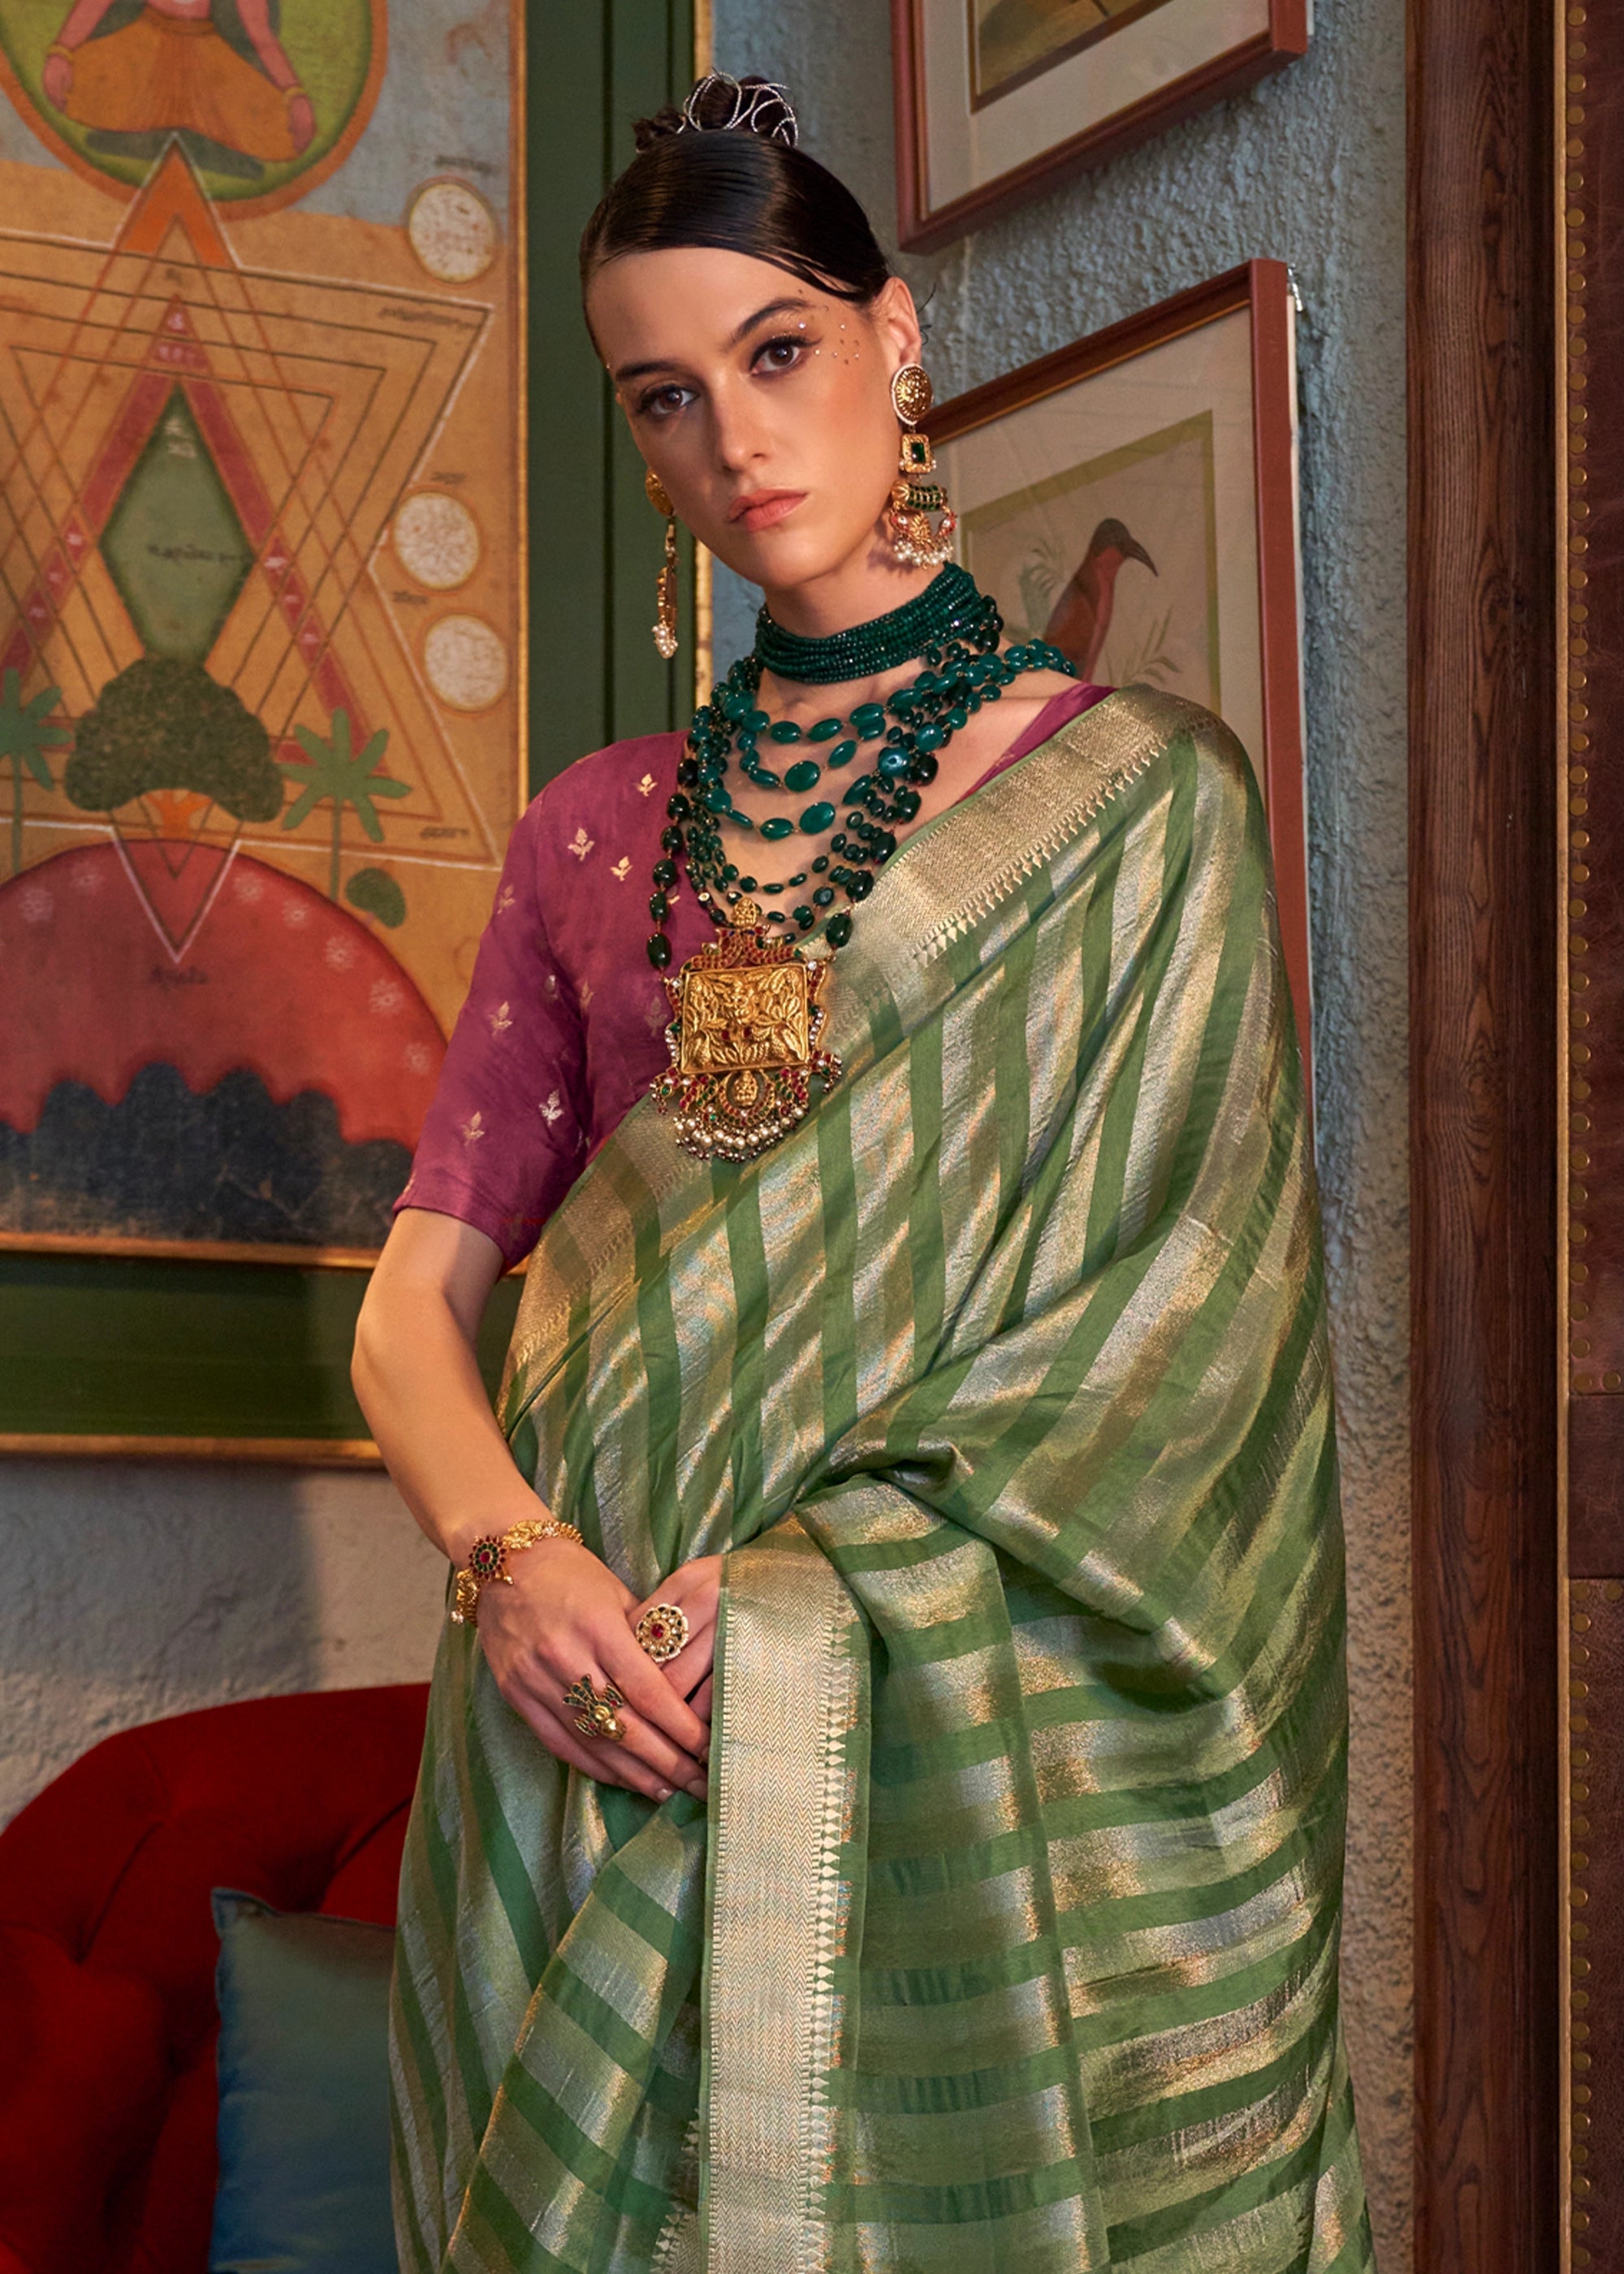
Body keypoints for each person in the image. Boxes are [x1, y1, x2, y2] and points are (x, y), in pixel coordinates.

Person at [355, 72, 1373, 2274]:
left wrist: (829, 1591)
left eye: (776, 352)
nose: (732, 441)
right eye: (663, 399)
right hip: (591, 1718)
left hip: (930, 1731)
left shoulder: (1137, 809)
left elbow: (1178, 1349)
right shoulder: (596, 828)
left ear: (893, 339)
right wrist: (512, 1564)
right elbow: (411, 1311)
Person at [41, 0, 314, 166]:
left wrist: (293, 93)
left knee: (279, 129)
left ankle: (201, 144)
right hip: (143, 46)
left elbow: (260, 35)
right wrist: (62, 51)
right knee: (81, 81)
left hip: (210, 62)